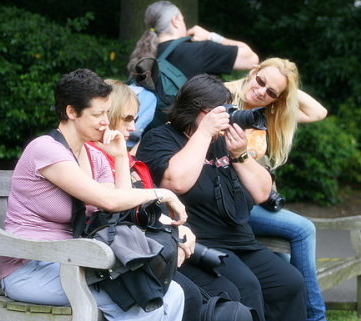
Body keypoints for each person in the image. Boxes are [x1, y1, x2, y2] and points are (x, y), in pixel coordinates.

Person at [0, 68, 187, 321]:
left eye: (107, 113)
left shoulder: (95, 156)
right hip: (31, 268)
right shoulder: (46, 150)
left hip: (77, 261)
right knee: (135, 304)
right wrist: (163, 193)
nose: (105, 122)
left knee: (173, 292)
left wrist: (120, 156)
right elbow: (106, 199)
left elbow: (118, 207)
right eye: (98, 114)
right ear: (71, 112)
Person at [137, 73, 307, 321]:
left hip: (239, 240)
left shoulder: (223, 141)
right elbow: (176, 181)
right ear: (201, 111)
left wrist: (240, 155)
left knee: (289, 282)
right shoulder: (159, 139)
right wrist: (203, 134)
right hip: (201, 243)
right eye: (221, 111)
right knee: (246, 287)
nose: (227, 117)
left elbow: (262, 193)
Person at [88, 79, 256, 321]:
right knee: (194, 294)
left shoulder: (123, 157)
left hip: (150, 246)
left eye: (135, 118)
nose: (134, 128)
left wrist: (179, 231)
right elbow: (118, 207)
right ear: (107, 116)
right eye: (127, 119)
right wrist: (172, 232)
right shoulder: (95, 156)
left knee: (234, 289)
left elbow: (137, 208)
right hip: (120, 254)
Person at [225, 57, 328, 321]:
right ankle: (316, 317)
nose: (261, 92)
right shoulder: (222, 98)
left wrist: (284, 86)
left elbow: (319, 113)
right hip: (227, 200)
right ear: (253, 72)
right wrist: (254, 80)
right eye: (260, 81)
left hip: (257, 200)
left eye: (271, 92)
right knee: (304, 229)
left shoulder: (267, 112)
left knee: (284, 270)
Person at [126, 0, 259, 141]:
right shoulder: (199, 50)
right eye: (183, 20)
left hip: (146, 142)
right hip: (187, 143)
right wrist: (210, 36)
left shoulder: (143, 58)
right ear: (175, 21)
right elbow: (251, 59)